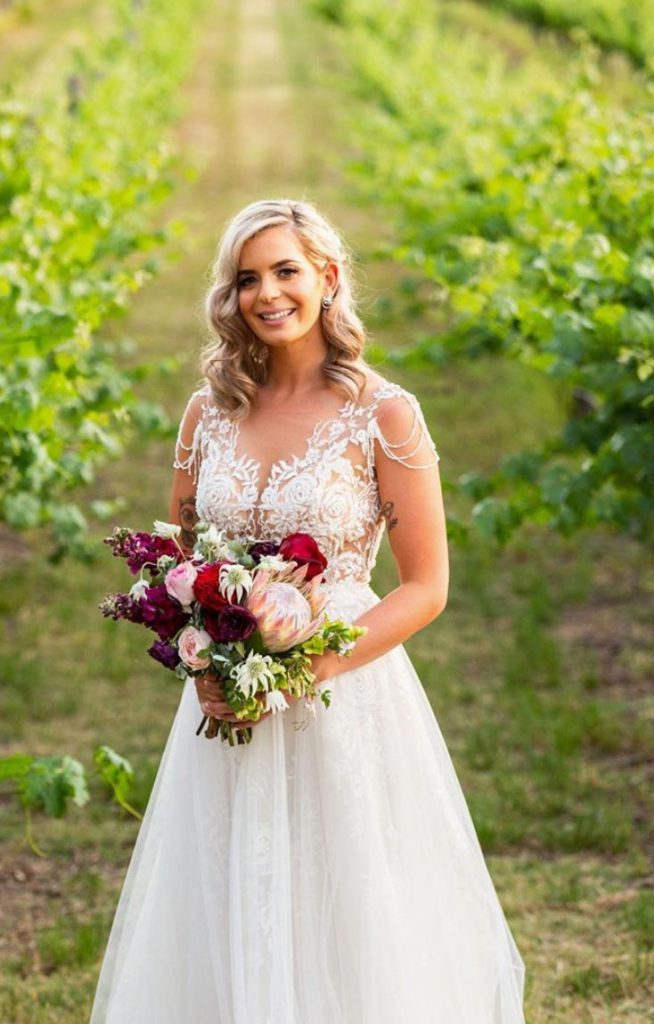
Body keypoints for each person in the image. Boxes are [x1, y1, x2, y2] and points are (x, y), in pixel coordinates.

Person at [89, 198, 526, 1023]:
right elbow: (185, 564)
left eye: (285, 270)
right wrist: (202, 658)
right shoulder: (205, 413)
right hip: (226, 704)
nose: (266, 293)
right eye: (247, 278)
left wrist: (311, 666)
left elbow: (425, 586)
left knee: (349, 903)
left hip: (343, 695)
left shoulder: (383, 414)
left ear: (327, 277)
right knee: (226, 898)